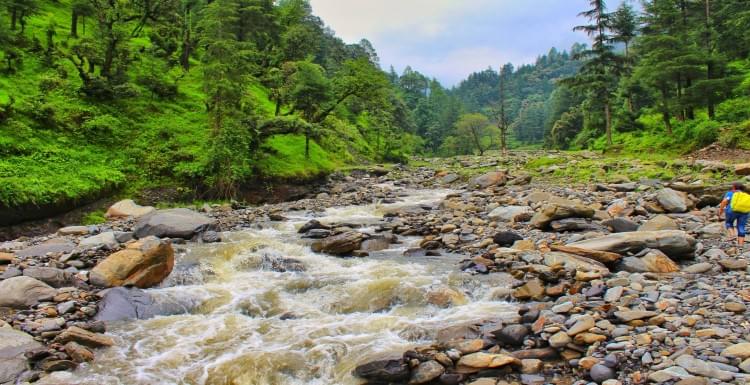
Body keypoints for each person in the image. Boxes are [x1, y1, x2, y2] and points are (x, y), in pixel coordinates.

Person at [719, 182, 749, 247]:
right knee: (741, 227)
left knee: (729, 223)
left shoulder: (730, 193)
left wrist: (721, 211)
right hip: (744, 212)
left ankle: (733, 235)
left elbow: (724, 201)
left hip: (732, 211)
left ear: (734, 187)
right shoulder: (746, 195)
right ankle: (741, 245)